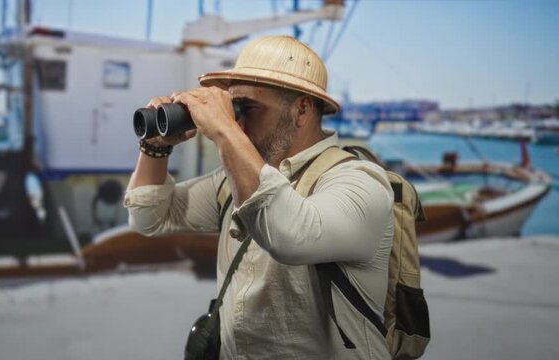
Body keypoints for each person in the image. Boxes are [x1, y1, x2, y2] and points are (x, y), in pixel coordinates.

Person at [124, 35, 394, 359]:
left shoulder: (359, 182)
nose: (238, 122)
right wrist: (156, 148)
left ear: (302, 109)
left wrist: (224, 131)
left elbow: (291, 236)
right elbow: (149, 217)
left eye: (246, 108)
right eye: (232, 108)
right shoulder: (232, 183)